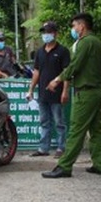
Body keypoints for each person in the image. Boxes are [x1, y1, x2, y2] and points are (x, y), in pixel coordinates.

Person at [42, 13, 101, 178]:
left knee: (76, 131)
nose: (73, 29)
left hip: (84, 93)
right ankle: (99, 164)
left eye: (74, 26)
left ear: (82, 26)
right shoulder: (98, 42)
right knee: (96, 130)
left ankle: (64, 166)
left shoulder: (85, 42)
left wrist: (57, 80)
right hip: (97, 91)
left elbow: (75, 65)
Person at [26, 21, 71, 158]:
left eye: (49, 32)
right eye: (44, 32)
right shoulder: (39, 52)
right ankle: (43, 148)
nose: (46, 35)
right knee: (44, 121)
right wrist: (31, 89)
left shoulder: (62, 51)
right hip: (42, 93)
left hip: (56, 93)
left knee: (59, 122)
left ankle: (61, 147)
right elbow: (36, 72)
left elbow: (67, 73)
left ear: (55, 34)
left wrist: (65, 91)